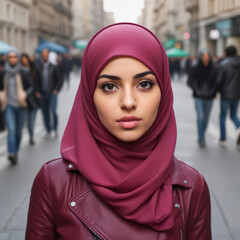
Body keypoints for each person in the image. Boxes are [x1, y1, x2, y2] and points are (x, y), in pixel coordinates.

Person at [26, 23, 211, 239]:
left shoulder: (192, 188)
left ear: (164, 91)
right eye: (109, 86)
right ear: (88, 95)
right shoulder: (53, 183)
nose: (128, 102)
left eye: (144, 84)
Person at [0, 50, 31, 164]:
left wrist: (25, 94)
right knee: (11, 131)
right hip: (9, 106)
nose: (13, 59)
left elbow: (31, 86)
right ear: (8, 59)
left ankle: (16, 150)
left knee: (18, 132)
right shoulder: (3, 72)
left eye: (15, 57)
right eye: (10, 57)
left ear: (17, 59)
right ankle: (12, 153)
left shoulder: (23, 72)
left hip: (21, 106)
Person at [187, 49, 221, 148]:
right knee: (201, 117)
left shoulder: (214, 68)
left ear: (210, 57)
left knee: (206, 119)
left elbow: (217, 82)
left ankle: (202, 135)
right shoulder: (195, 68)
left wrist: (213, 91)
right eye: (204, 56)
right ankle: (201, 138)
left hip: (210, 96)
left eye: (207, 55)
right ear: (200, 57)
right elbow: (189, 81)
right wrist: (196, 89)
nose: (205, 57)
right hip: (199, 96)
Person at [35, 49, 62, 138]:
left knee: (53, 111)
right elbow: (36, 80)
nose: (45, 57)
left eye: (46, 55)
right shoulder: (38, 67)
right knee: (45, 112)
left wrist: (56, 90)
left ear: (48, 56)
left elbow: (59, 79)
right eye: (43, 55)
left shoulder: (54, 66)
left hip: (52, 93)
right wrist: (37, 91)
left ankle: (55, 128)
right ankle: (48, 129)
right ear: (41, 56)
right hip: (42, 94)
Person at [218, 45, 240, 146]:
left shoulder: (224, 64)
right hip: (236, 94)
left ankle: (223, 139)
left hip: (225, 94)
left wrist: (217, 91)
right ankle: (238, 127)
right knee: (233, 115)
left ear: (226, 53)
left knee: (223, 116)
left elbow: (219, 80)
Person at [21, 53, 40, 145]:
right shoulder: (19, 71)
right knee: (28, 121)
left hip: (34, 99)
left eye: (25, 59)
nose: (24, 61)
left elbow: (37, 82)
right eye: (22, 60)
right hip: (24, 99)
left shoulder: (34, 69)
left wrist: (38, 92)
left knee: (31, 120)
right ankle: (30, 135)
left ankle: (31, 136)